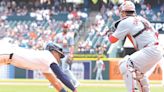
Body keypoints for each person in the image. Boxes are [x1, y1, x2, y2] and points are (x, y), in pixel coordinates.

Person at [106, 1, 163, 92]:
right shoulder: (142, 19)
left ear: (123, 12)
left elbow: (112, 40)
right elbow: (156, 34)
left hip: (150, 49)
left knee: (125, 63)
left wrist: (109, 33)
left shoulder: (125, 22)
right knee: (139, 74)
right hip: (157, 49)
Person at [0, 37, 77, 92]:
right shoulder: (48, 55)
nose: (60, 58)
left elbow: (55, 83)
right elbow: (61, 75)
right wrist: (74, 89)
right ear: (53, 51)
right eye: (59, 55)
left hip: (8, 57)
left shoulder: (45, 63)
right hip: (7, 51)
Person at [53, 23, 80, 87]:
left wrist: (71, 54)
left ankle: (75, 82)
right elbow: (54, 44)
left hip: (66, 53)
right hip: (59, 54)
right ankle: (56, 82)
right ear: (62, 28)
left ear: (68, 28)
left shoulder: (70, 36)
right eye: (64, 27)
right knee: (58, 69)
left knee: (65, 69)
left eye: (66, 27)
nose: (65, 28)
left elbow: (72, 46)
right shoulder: (58, 35)